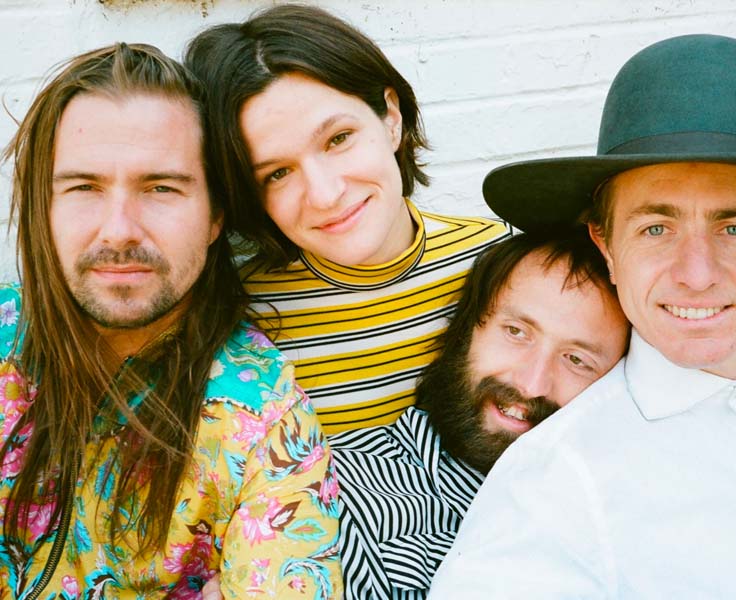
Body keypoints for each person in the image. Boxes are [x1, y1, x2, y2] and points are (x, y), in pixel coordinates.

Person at [429, 34, 736, 598]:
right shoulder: (549, 486)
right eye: (656, 228)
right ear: (606, 249)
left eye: (734, 228)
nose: (696, 274)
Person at [0, 43, 340, 597]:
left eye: (161, 187)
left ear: (215, 217)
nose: (118, 231)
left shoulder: (262, 422)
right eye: (84, 187)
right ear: (43, 206)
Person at [184, 4, 511, 435]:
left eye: (338, 139)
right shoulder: (242, 317)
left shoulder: (499, 263)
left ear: (390, 118)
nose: (325, 194)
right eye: (277, 173)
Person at [330, 230, 629, 599]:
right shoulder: (336, 490)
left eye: (577, 360)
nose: (533, 383)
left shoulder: (621, 515)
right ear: (466, 332)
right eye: (517, 332)